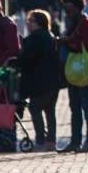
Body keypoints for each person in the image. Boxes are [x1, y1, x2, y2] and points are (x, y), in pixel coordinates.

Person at [58, 0, 88, 152]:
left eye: (69, 9)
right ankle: (75, 141)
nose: (67, 13)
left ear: (77, 8)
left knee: (87, 105)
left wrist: (68, 41)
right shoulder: (72, 24)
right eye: (65, 10)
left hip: (86, 69)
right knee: (74, 106)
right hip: (73, 69)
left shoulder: (85, 23)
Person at [16, 10, 60, 151]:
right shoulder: (50, 37)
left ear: (38, 23)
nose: (28, 24)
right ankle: (51, 141)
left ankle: (40, 139)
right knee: (50, 111)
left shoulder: (34, 39)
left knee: (35, 109)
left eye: (31, 22)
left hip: (39, 81)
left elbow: (26, 59)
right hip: (53, 80)